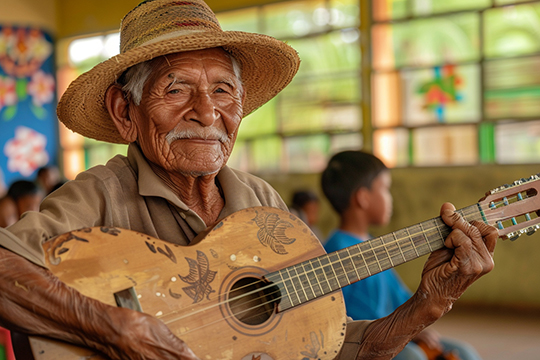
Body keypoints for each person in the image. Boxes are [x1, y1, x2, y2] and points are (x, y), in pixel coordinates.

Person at [0, 1, 497, 359]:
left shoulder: (262, 203)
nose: (206, 111)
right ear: (124, 111)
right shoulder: (101, 192)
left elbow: (335, 347)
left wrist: (429, 303)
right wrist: (114, 329)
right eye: (176, 89)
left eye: (223, 90)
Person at [322, 150, 483, 360]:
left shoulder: (373, 245)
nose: (390, 198)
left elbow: (400, 298)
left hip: (397, 330)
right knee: (412, 356)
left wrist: (416, 327)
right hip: (364, 342)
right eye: (386, 189)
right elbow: (351, 321)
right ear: (362, 198)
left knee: (464, 353)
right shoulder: (337, 250)